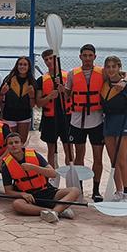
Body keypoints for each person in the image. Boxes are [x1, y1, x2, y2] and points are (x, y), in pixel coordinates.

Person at [65, 44, 127, 202]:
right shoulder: (72, 74)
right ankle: (78, 189)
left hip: (96, 121)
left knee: (98, 158)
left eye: (90, 55)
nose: (87, 58)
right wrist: (63, 91)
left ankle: (96, 190)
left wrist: (124, 81)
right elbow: (68, 94)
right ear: (80, 56)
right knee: (79, 156)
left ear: (94, 57)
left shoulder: (103, 72)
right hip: (77, 121)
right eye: (84, 55)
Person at [0, 133, 80, 223]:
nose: (14, 145)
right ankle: (52, 211)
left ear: (22, 144)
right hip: (30, 198)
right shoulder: (6, 165)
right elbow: (8, 191)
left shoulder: (34, 155)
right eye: (10, 143)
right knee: (17, 204)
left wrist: (34, 167)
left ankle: (55, 212)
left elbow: (53, 174)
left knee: (74, 191)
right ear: (7, 146)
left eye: (16, 142)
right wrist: (22, 194)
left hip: (47, 191)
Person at [100, 56, 127, 202]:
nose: (111, 69)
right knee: (113, 160)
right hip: (109, 123)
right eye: (108, 67)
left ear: (119, 67)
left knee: (122, 160)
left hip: (124, 123)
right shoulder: (104, 84)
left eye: (114, 66)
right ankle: (118, 191)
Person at [36, 49, 74, 184]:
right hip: (50, 118)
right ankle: (52, 178)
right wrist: (49, 96)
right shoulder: (41, 80)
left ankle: (71, 175)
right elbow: (38, 103)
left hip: (66, 117)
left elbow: (74, 96)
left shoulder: (68, 76)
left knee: (68, 147)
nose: (49, 62)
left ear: (56, 58)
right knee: (51, 149)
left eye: (51, 58)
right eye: (46, 59)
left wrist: (63, 90)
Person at [0, 56, 35, 143]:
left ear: (28, 67)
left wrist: (32, 96)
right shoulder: (9, 79)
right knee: (10, 143)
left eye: (25, 65)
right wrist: (2, 92)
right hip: (9, 115)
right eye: (20, 64)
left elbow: (33, 105)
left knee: (21, 143)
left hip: (24, 116)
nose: (22, 67)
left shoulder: (32, 81)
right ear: (17, 66)